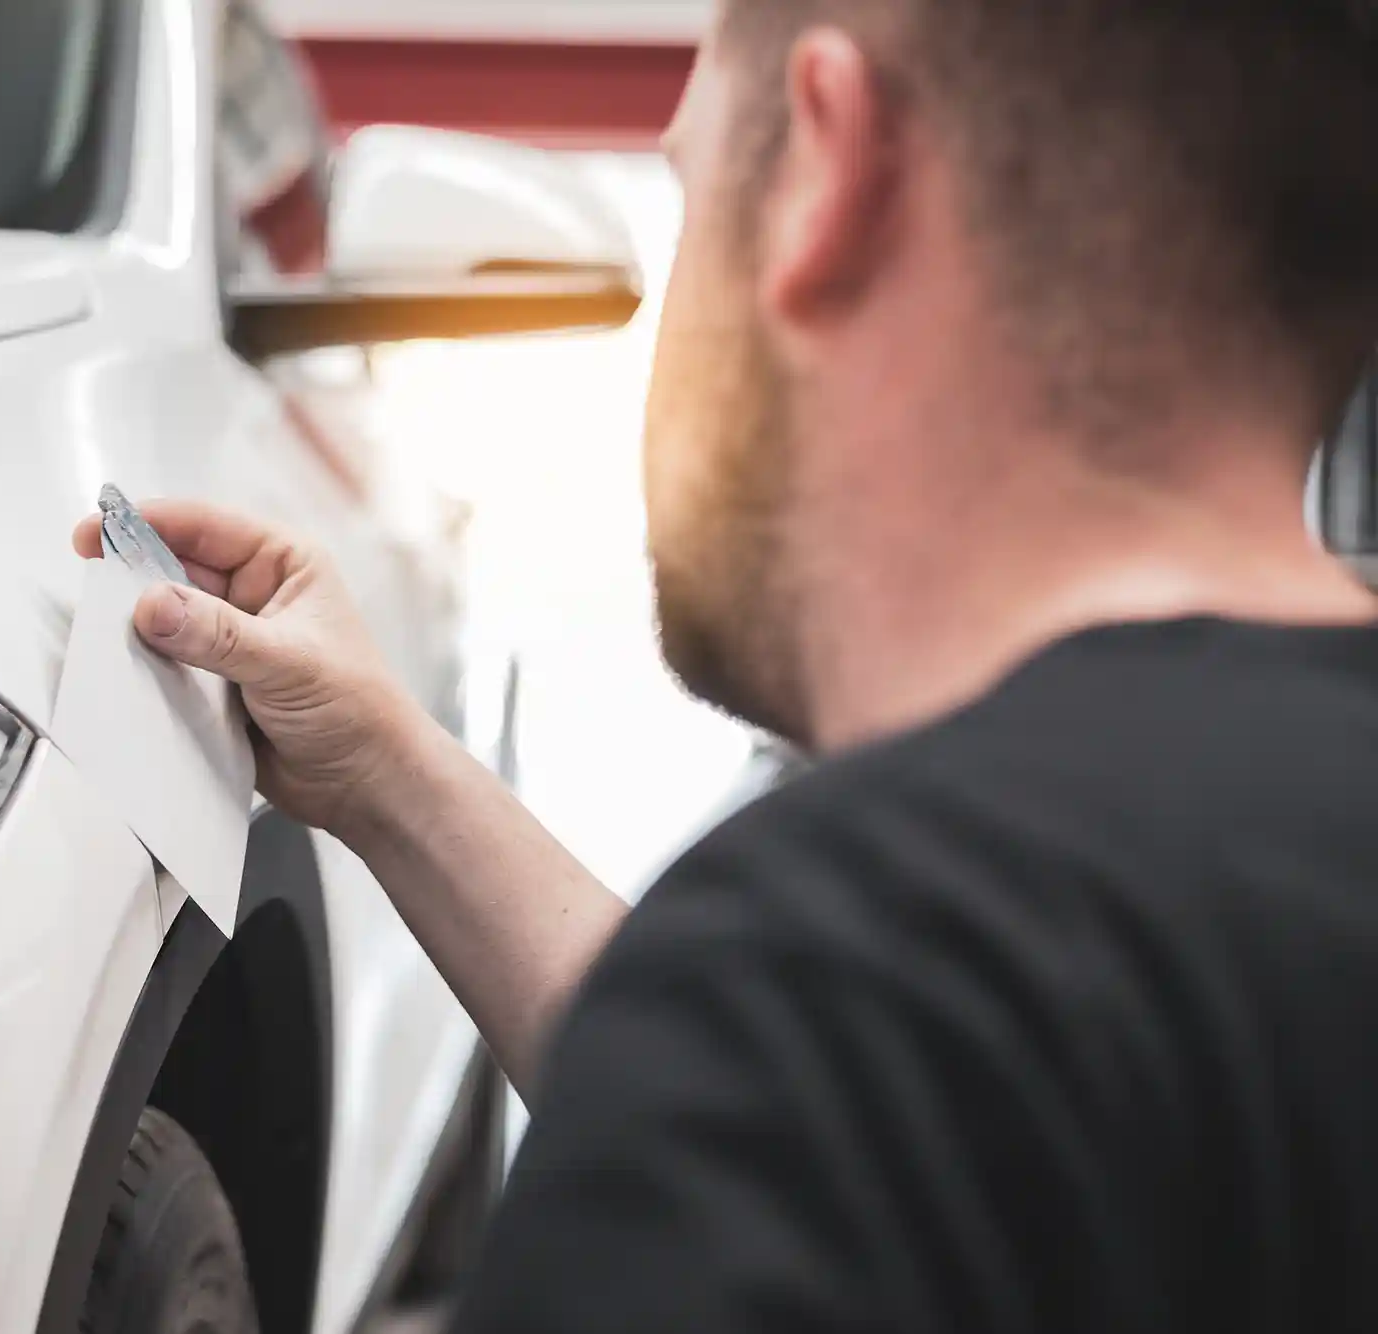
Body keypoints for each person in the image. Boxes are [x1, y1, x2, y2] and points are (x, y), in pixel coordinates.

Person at [78, 0, 1378, 1328]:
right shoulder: (925, 1020)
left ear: (824, 170)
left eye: (692, 187)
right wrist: (392, 777)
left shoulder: (851, 978)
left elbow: (837, 1083)